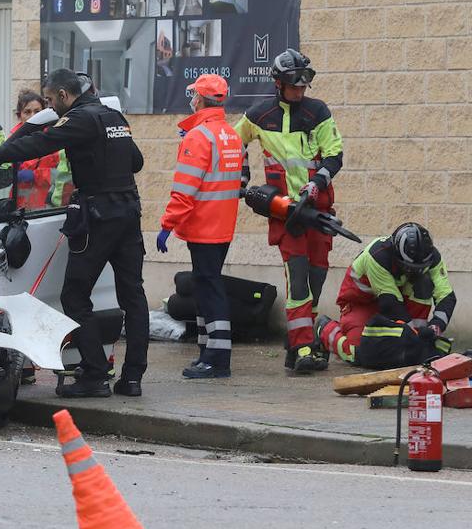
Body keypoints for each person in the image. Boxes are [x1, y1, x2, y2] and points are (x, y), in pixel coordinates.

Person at [0, 68, 148, 399]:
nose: (49, 105)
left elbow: (35, 145)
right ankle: (132, 379)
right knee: (134, 295)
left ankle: (95, 375)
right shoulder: (113, 117)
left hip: (99, 217)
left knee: (74, 295)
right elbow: (137, 161)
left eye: (49, 98)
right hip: (129, 214)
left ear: (63, 95)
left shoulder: (78, 119)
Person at [234, 48, 343, 375]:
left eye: (304, 84)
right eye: (295, 85)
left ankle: (297, 344)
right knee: (298, 282)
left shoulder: (317, 111)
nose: (301, 90)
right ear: (278, 84)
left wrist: (317, 183)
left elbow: (335, 154)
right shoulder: (259, 115)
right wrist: (242, 178)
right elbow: (234, 142)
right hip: (284, 212)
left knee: (316, 279)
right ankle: (304, 346)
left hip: (317, 208)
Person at [156, 75, 243, 378]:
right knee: (208, 287)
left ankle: (217, 359)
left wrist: (168, 224)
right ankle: (207, 352)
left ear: (201, 99)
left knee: (209, 290)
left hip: (205, 226)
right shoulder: (231, 135)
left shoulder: (199, 137)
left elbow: (185, 189)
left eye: (194, 95)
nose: (191, 100)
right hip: (222, 226)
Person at [315, 223, 456, 368]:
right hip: (361, 303)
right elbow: (391, 304)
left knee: (424, 283)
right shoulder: (378, 256)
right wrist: (413, 336)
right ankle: (325, 329)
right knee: (361, 353)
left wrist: (435, 327)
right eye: (410, 268)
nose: (414, 272)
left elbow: (446, 296)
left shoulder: (432, 257)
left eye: (420, 268)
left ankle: (416, 337)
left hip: (395, 299)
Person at [10, 90, 61, 210]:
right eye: (27, 112)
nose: (33, 116)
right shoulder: (11, 141)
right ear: (19, 115)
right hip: (17, 207)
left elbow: (59, 175)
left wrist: (34, 175)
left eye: (37, 112)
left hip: (44, 207)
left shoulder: (53, 140)